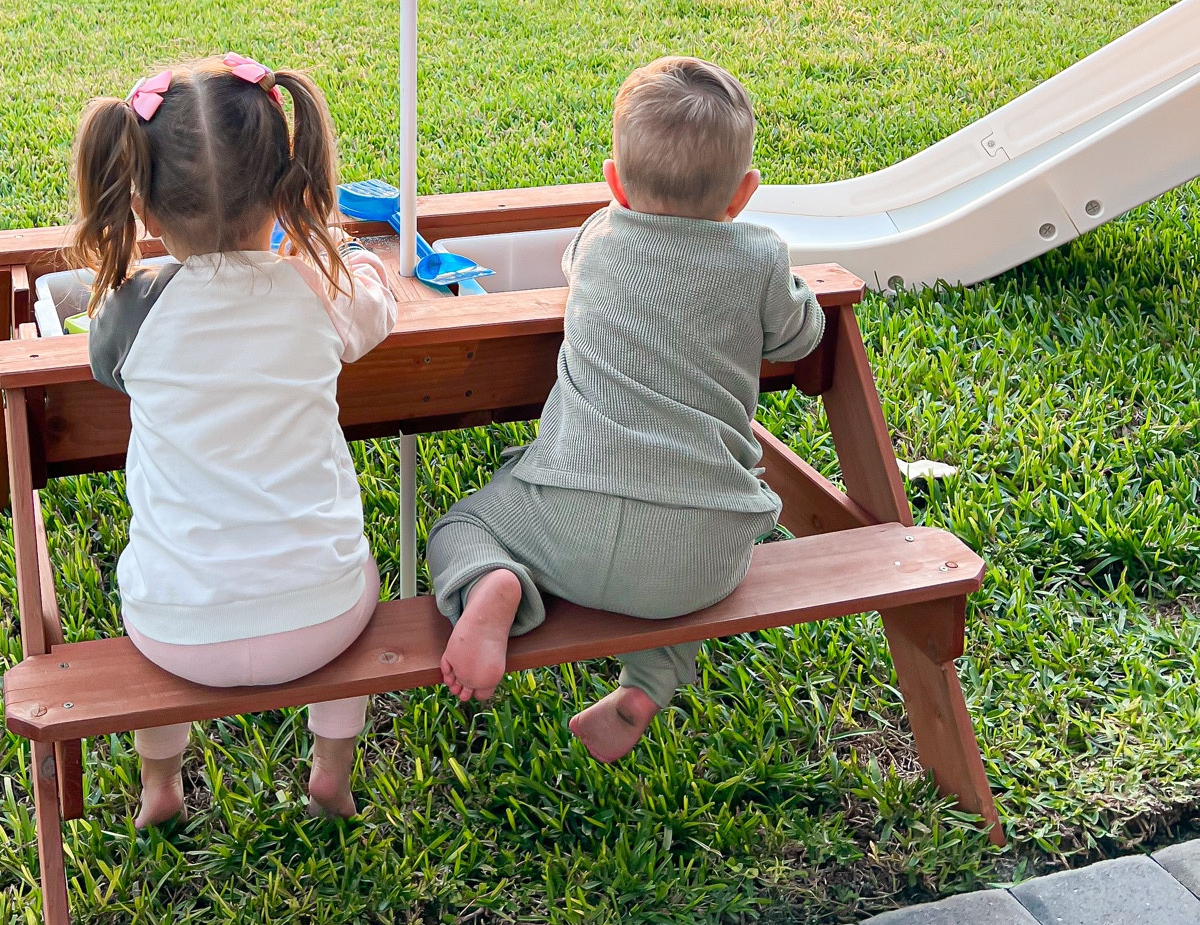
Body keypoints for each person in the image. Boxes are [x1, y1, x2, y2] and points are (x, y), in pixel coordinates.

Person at [427, 55, 824, 763]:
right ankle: (647, 685)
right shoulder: (761, 256)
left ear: (612, 183)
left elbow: (575, 275)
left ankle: (496, 583)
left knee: (466, 522)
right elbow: (800, 334)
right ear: (744, 194)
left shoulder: (598, 240)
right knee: (681, 582)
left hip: (568, 528)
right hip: (703, 547)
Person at [72, 53, 396, 825]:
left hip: (174, 627)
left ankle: (160, 787)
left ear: (145, 211)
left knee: (148, 569)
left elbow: (105, 362)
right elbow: (378, 310)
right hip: (324, 619)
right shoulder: (320, 290)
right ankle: (330, 775)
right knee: (360, 567)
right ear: (288, 191)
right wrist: (344, 252)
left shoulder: (131, 310)